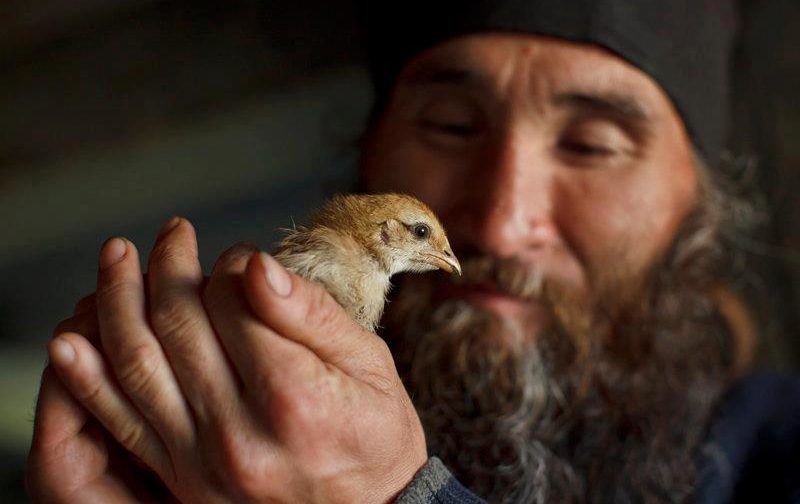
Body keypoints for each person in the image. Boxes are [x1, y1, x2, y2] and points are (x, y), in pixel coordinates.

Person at [25, 0, 800, 502]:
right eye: (454, 128)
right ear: (372, 154)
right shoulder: (201, 446)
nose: (498, 223)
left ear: (706, 206)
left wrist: (401, 497)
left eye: (592, 145)